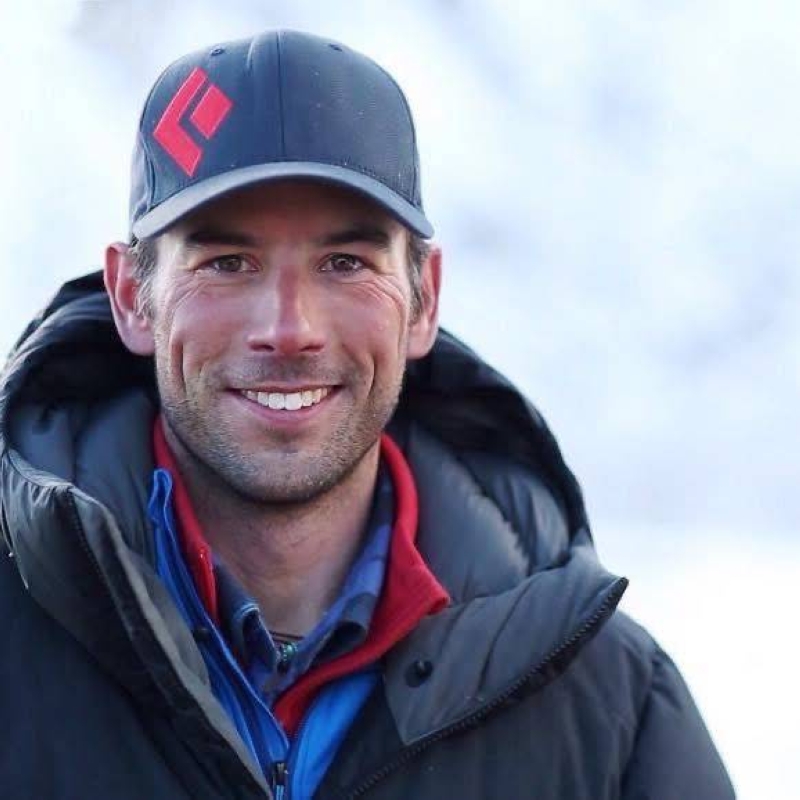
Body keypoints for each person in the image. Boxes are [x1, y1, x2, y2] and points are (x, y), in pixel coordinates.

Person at [0, 30, 734, 800]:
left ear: (424, 299)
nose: (289, 328)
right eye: (227, 263)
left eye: (345, 263)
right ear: (130, 296)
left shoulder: (612, 710)